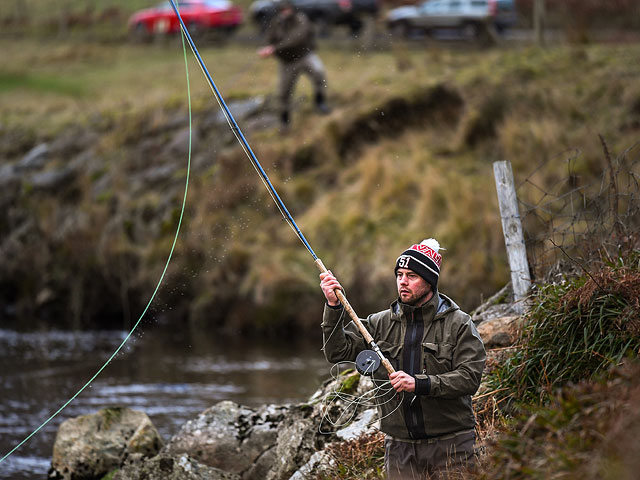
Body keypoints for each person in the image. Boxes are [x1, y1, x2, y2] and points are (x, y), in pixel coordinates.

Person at [319, 238, 486, 479]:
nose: (403, 282)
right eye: (399, 274)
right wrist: (333, 306)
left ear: (430, 281)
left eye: (411, 276)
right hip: (399, 449)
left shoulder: (459, 324)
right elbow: (336, 352)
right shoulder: (378, 323)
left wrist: (419, 384)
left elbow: (469, 379)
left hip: (452, 445)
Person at [257, 0, 330, 130]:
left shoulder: (301, 19)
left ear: (292, 9)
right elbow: (269, 39)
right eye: (282, 10)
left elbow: (296, 38)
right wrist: (266, 48)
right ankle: (284, 121)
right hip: (287, 63)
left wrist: (275, 48)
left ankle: (320, 102)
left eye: (287, 9)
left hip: (305, 56)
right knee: (284, 92)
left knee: (319, 73)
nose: (285, 12)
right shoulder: (276, 23)